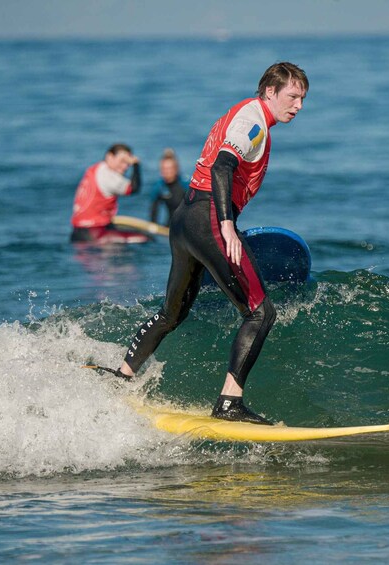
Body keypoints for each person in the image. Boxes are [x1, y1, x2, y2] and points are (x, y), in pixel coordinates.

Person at [109, 62, 309, 425]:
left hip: (185, 219)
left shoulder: (241, 115)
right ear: (269, 92)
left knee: (173, 313)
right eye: (292, 96)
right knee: (261, 313)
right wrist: (227, 225)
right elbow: (222, 167)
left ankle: (122, 376)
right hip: (209, 219)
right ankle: (229, 403)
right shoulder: (254, 121)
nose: (297, 105)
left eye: (302, 99)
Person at [70, 143, 149, 244]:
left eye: (128, 164)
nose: (125, 167)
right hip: (94, 233)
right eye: (122, 161)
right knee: (145, 238)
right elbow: (134, 188)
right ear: (109, 157)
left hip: (78, 231)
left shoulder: (96, 168)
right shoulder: (109, 178)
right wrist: (136, 165)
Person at [149, 148, 186, 226]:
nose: (166, 172)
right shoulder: (159, 187)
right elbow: (154, 210)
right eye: (163, 169)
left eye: (169, 169)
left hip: (186, 226)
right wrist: (153, 226)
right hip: (169, 226)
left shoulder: (185, 184)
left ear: (176, 169)